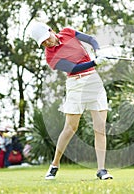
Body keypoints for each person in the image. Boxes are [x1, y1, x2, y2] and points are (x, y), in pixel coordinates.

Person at [30, 22, 113, 180]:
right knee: (70, 128)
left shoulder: (68, 32)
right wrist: (95, 62)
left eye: (47, 38)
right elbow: (73, 68)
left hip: (93, 81)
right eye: (43, 43)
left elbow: (91, 39)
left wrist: (98, 52)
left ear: (51, 31)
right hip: (76, 85)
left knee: (100, 127)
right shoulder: (50, 57)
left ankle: (102, 170)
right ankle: (54, 165)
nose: (47, 43)